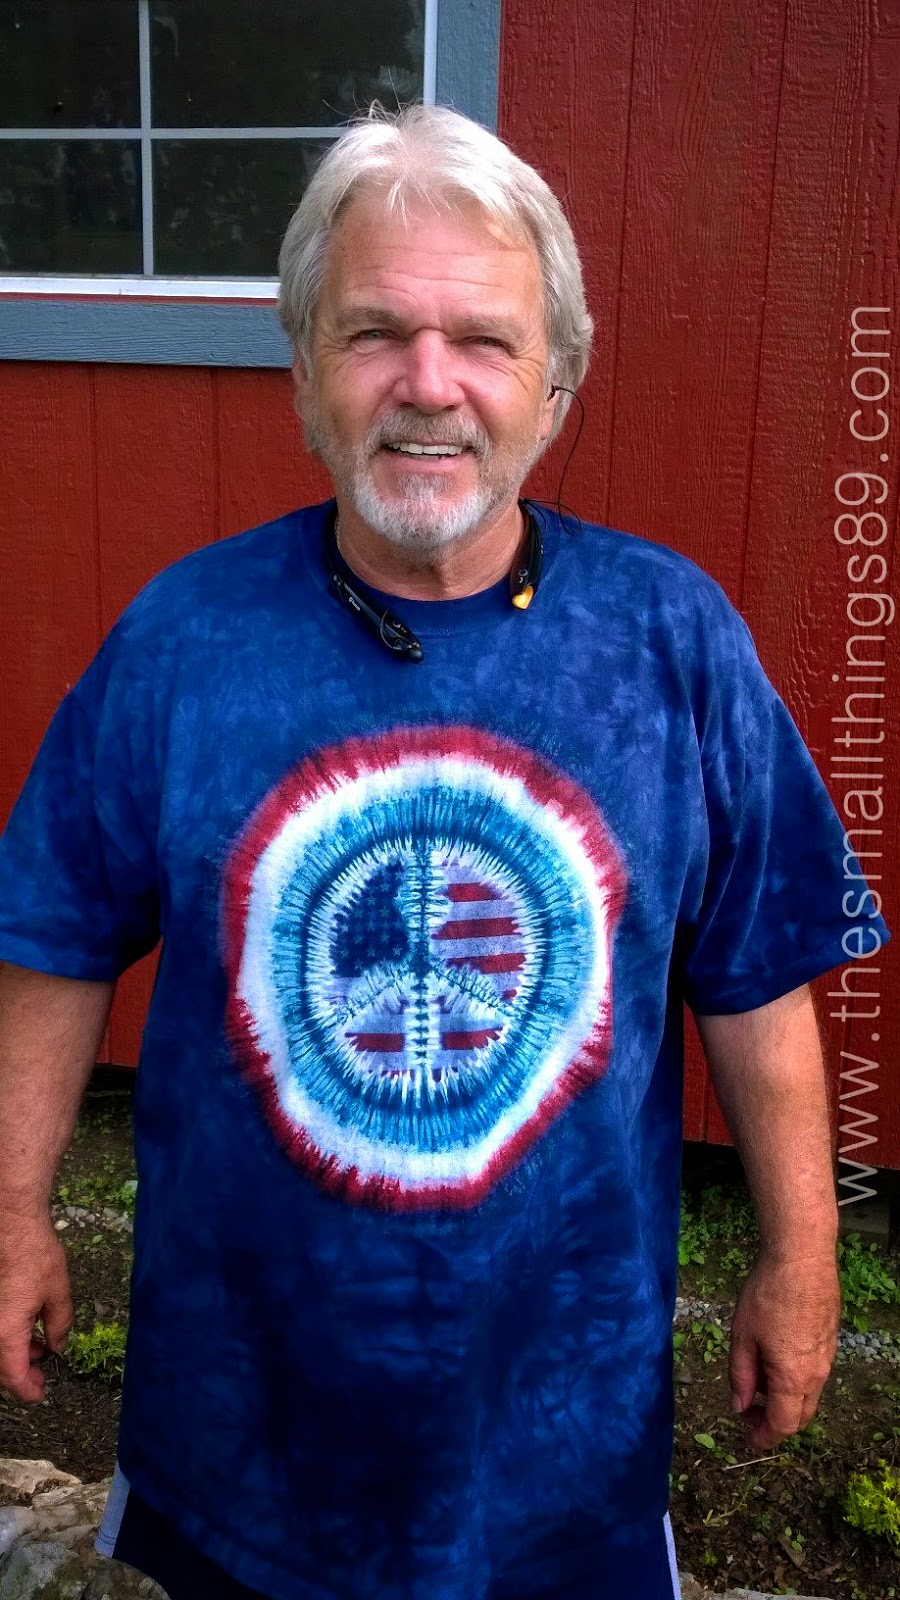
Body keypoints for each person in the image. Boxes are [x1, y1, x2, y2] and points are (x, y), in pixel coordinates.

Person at [0, 103, 889, 1600]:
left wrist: (803, 1263)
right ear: (303, 368)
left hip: (563, 1431)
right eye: (374, 334)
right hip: (243, 1423)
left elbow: (757, 976)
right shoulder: (182, 638)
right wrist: (12, 1208)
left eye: (482, 339)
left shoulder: (672, 641)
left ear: (556, 383)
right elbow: (53, 933)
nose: (429, 385)